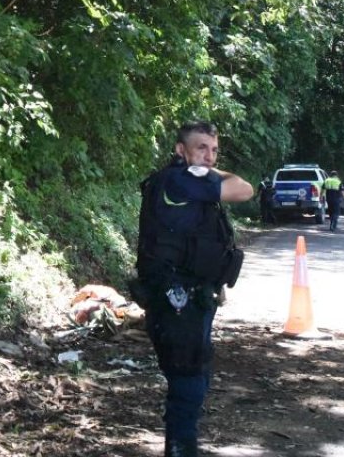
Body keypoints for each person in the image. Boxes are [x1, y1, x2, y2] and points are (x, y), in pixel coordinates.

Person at [134, 121, 253, 457]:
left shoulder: (189, 178)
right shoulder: (179, 180)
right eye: (201, 148)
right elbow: (243, 189)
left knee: (195, 377)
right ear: (179, 150)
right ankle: (181, 449)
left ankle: (183, 446)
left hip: (192, 298)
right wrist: (205, 170)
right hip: (176, 302)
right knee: (188, 383)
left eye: (214, 150)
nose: (210, 156)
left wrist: (205, 166)